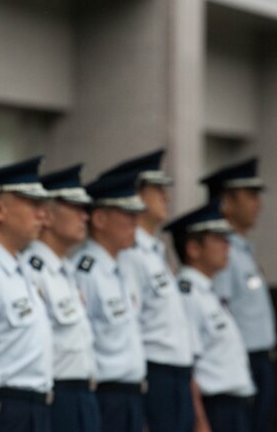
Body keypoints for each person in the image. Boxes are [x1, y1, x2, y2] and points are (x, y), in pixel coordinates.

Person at [103, 149, 199, 432]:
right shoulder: (131, 253)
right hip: (155, 374)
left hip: (175, 376)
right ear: (137, 196)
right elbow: (132, 324)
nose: (166, 198)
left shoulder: (154, 250)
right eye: (157, 190)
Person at [0, 157, 54, 432]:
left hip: (38, 406)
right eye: (33, 204)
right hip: (9, 406)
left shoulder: (22, 265)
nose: (43, 215)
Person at [200, 158, 276, 432]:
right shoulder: (224, 251)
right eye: (251, 196)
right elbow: (220, 310)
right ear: (226, 202)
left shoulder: (242, 249)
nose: (258, 204)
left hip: (259, 361)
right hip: (242, 360)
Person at [165, 202, 256, 432]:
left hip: (234, 405)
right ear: (194, 248)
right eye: (219, 240)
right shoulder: (187, 294)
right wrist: (199, 419)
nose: (228, 247)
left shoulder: (207, 291)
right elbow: (189, 366)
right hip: (214, 408)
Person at [23, 164, 100, 432]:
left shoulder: (65, 267)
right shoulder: (32, 268)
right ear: (48, 215)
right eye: (76, 208)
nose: (85, 217)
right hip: (58, 395)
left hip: (85, 394)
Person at [72, 170, 147, 432]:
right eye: (127, 215)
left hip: (132, 394)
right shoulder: (86, 271)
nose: (135, 223)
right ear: (100, 218)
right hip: (107, 395)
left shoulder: (123, 267)